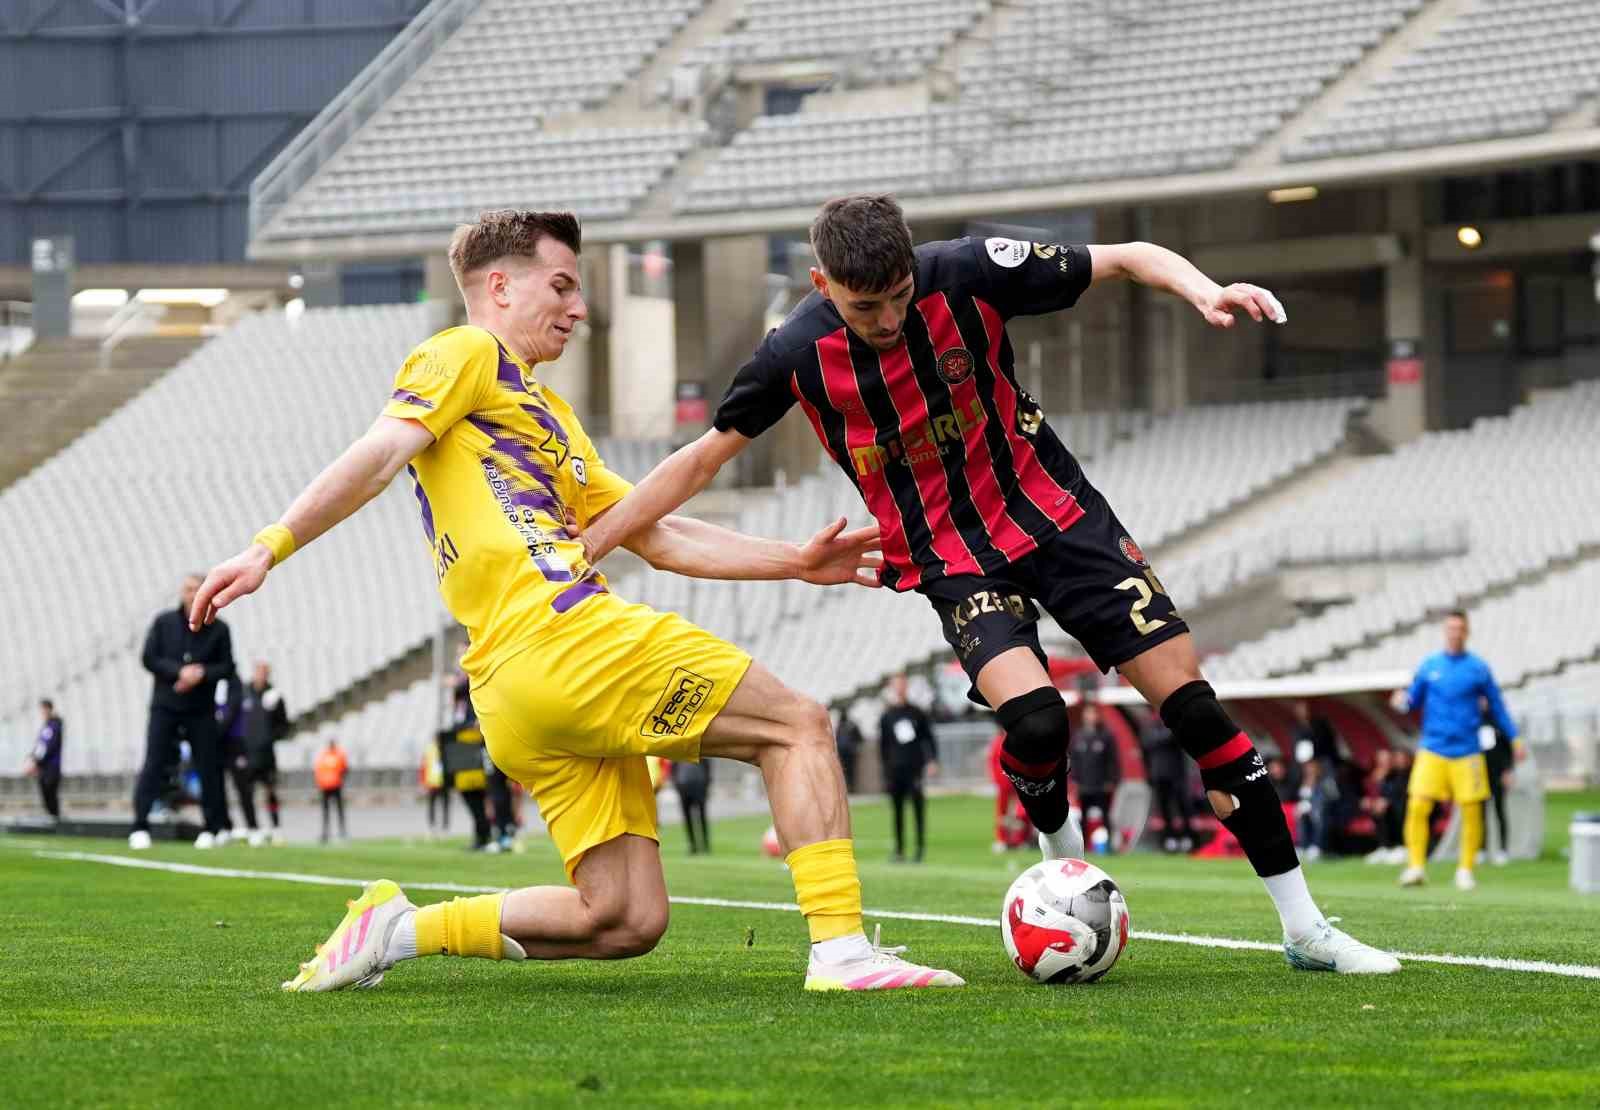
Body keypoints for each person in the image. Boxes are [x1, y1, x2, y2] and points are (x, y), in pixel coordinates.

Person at [581, 194, 1397, 974]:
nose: (891, 320)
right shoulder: (793, 354)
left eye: (901, 297)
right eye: (867, 309)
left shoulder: (971, 270)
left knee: (1193, 708)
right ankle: (1058, 864)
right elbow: (698, 459)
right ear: (821, 286)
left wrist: (1204, 288)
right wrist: (598, 539)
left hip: (1059, 517)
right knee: (1036, 723)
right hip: (952, 557)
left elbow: (1128, 257)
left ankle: (1306, 928)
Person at [190, 209, 958, 993]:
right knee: (795, 725)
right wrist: (267, 547)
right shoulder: (464, 351)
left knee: (623, 917)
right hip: (562, 637)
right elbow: (382, 452)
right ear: (498, 286)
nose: (579, 308)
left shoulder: (549, 418)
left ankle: (398, 930)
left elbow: (656, 536)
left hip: (515, 688)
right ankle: (842, 953)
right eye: (560, 286)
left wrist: (792, 561)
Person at [1391, 610, 1517, 891]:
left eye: (1459, 628)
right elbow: (1411, 701)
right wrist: (1401, 701)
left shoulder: (1478, 668)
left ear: (1466, 632)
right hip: (1433, 747)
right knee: (1418, 805)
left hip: (1467, 750)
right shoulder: (1429, 666)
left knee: (1472, 810)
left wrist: (1515, 738)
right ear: (1444, 631)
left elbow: (1497, 706)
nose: (1454, 633)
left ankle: (1465, 870)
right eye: (1450, 628)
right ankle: (1415, 867)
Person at [131, 573, 236, 850]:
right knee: (153, 763)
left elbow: (227, 667)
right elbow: (149, 658)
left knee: (208, 767)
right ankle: (140, 826)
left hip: (200, 709)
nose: (191, 594)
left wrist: (201, 673)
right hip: (165, 705)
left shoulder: (219, 629)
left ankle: (213, 828)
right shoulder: (163, 623)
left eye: (197, 589)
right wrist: (179, 671)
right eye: (188, 589)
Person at [218, 661, 291, 847]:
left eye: (265, 672)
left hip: (266, 753)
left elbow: (284, 726)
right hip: (245, 751)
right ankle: (253, 828)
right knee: (246, 792)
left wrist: (269, 736)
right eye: (259, 671)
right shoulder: (243, 694)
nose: (261, 675)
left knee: (270, 791)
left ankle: (276, 828)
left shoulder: (274, 697)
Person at [877, 673, 939, 863]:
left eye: (902, 684)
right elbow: (883, 746)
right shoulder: (887, 716)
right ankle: (899, 850)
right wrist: (886, 770)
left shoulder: (917, 713)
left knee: (918, 807)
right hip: (896, 770)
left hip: (914, 767)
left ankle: (920, 848)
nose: (900, 688)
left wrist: (932, 760)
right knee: (897, 810)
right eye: (896, 685)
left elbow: (929, 737)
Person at [1479, 696, 1525, 866]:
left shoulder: (1500, 723)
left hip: (1498, 774)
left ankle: (1502, 850)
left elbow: (1508, 750)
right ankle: (1481, 849)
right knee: (1480, 814)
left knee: (1499, 812)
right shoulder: (1474, 721)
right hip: (1480, 775)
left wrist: (1508, 771)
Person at [1069, 702, 1120, 852]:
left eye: (1093, 714)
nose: (1090, 717)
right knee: (1083, 818)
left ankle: (1109, 846)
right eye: (1088, 714)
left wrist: (1111, 780)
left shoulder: (1105, 736)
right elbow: (1075, 760)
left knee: (1105, 816)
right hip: (1084, 785)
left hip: (1101, 784)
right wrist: (1075, 780)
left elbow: (1112, 760)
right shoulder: (1078, 736)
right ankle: (1083, 847)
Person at [1139, 709, 1192, 852]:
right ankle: (1170, 838)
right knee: (1165, 809)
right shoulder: (1150, 729)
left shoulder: (1173, 725)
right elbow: (1147, 745)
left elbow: (1170, 737)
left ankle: (1187, 837)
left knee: (1181, 807)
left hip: (1176, 774)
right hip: (1158, 775)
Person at [26, 699, 64, 821]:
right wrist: (32, 757)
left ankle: (56, 820)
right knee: (46, 794)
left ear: (49, 709)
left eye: (44, 709)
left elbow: (49, 746)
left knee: (50, 794)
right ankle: (53, 819)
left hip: (51, 767)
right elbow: (40, 745)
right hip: (44, 767)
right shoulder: (47, 726)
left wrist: (36, 762)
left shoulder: (54, 725)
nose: (42, 712)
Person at [670, 755, 712, 854]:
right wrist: (677, 785)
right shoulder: (677, 750)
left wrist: (706, 785)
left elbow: (707, 767)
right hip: (684, 786)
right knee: (687, 819)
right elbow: (673, 769)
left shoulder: (699, 748)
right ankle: (692, 845)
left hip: (699, 785)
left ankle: (705, 845)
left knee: (702, 817)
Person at [315, 738, 349, 843]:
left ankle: (339, 832)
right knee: (331, 811)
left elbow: (344, 768)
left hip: (332, 785)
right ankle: (328, 832)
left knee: (335, 810)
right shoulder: (331, 755)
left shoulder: (330, 755)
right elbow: (345, 769)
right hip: (329, 785)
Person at [420, 736, 449, 837]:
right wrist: (424, 782)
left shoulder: (445, 748)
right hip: (432, 782)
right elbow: (424, 766)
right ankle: (432, 826)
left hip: (444, 782)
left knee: (445, 805)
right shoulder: (429, 749)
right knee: (432, 806)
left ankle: (445, 826)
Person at [833, 708, 862, 793]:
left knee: (851, 771)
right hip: (842, 752)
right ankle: (846, 788)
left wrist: (854, 747)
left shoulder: (852, 725)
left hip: (850, 752)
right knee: (843, 771)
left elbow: (860, 738)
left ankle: (852, 788)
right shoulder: (839, 726)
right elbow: (837, 739)